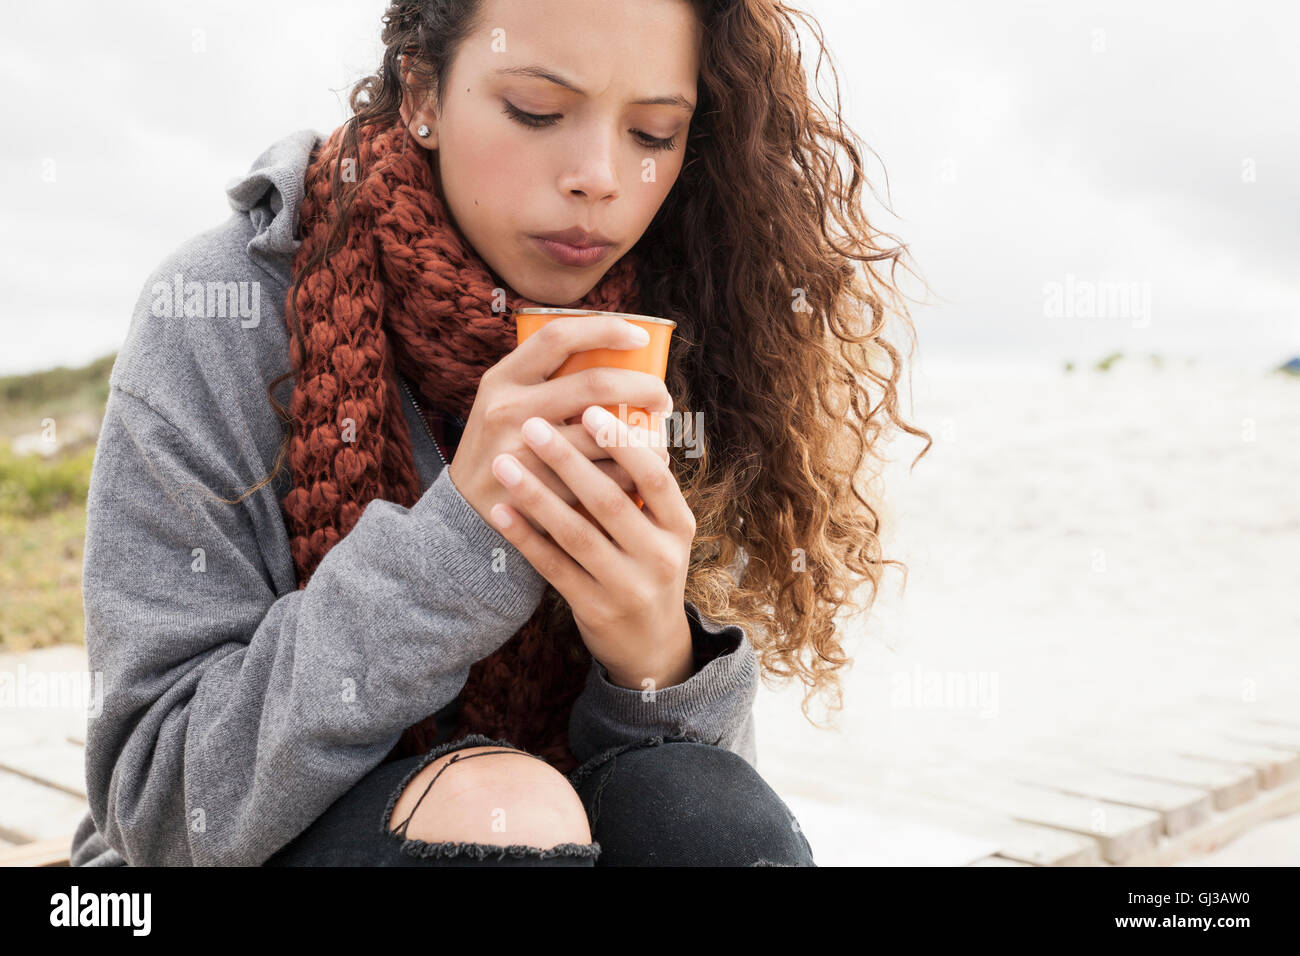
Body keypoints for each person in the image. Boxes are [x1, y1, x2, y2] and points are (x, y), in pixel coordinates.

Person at [71, 0, 929, 867]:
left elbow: (701, 800)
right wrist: (463, 540)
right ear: (421, 94)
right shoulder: (219, 312)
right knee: (505, 814)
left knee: (712, 817)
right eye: (537, 112)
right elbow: (159, 807)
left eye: (655, 134)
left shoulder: (680, 322)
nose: (599, 175)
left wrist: (654, 654)